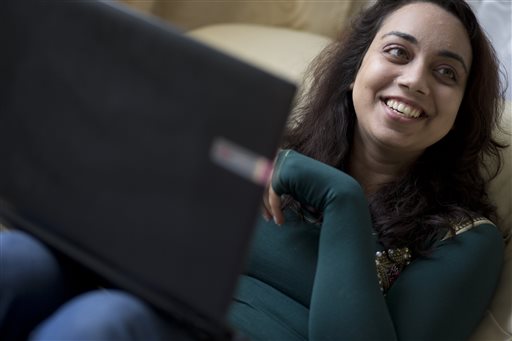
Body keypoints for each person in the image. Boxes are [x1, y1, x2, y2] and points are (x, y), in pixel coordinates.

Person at [0, 0, 507, 340]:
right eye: (398, 52)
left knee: (108, 320)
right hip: (145, 303)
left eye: (446, 73)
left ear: (461, 107)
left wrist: (341, 198)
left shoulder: (463, 239)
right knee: (18, 257)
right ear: (357, 67)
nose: (416, 80)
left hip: (149, 324)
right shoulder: (266, 152)